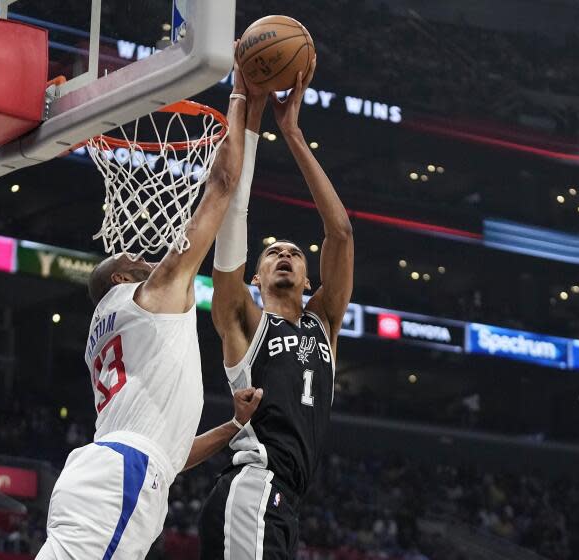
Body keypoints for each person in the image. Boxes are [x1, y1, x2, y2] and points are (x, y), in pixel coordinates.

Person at [36, 57, 267, 560]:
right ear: (120, 280)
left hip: (116, 471)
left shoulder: (114, 326)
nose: (142, 256)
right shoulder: (150, 296)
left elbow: (170, 454)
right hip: (119, 476)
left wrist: (232, 425)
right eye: (130, 258)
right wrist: (241, 95)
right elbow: (221, 188)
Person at [199, 55, 355, 559]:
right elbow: (233, 212)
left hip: (284, 500)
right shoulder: (243, 320)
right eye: (272, 253)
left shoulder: (323, 321)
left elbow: (341, 233)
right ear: (256, 276)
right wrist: (248, 108)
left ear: (309, 278)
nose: (285, 255)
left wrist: (293, 134)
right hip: (254, 486)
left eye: (294, 253)